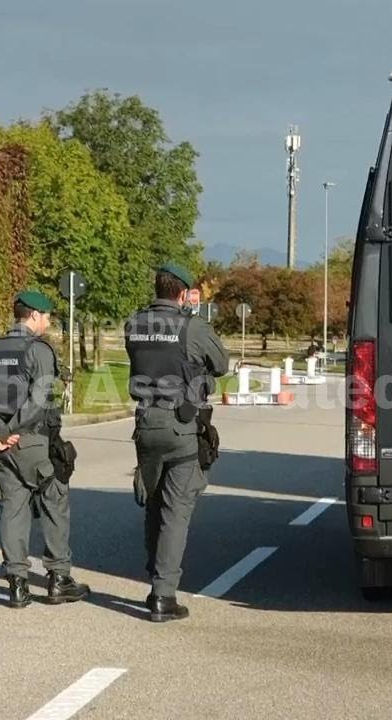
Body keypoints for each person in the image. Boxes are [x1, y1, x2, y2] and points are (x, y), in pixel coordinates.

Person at [125, 263, 229, 622]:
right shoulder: (192, 326)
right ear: (183, 294)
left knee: (154, 503)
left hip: (144, 423)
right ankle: (162, 595)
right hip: (181, 425)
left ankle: (155, 571)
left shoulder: (134, 323)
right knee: (176, 510)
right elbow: (221, 363)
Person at [0, 290, 89, 608]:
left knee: (13, 509)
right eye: (47, 316)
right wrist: (11, 429)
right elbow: (41, 401)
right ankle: (58, 579)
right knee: (55, 502)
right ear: (34, 316)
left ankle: (17, 586)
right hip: (35, 440)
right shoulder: (38, 350)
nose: (49, 322)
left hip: (3, 447)